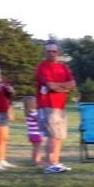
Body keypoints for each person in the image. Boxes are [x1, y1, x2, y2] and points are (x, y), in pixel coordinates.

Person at [35, 41, 76, 173]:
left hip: (61, 106)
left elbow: (73, 84)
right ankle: (50, 164)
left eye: (54, 51)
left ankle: (56, 162)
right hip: (47, 105)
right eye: (49, 51)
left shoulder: (63, 66)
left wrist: (59, 87)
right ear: (45, 52)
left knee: (59, 136)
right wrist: (64, 87)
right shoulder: (42, 67)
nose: (51, 53)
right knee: (52, 135)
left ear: (58, 52)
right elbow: (50, 86)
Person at [0, 58, 16, 170]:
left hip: (4, 112)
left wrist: (11, 91)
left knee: (3, 138)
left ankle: (2, 160)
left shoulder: (2, 82)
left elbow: (9, 98)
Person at [23, 96, 43, 165]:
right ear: (31, 104)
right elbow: (39, 119)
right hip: (36, 133)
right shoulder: (33, 112)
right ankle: (37, 160)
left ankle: (35, 160)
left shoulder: (28, 112)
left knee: (35, 147)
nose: (37, 103)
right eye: (35, 102)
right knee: (37, 148)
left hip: (32, 133)